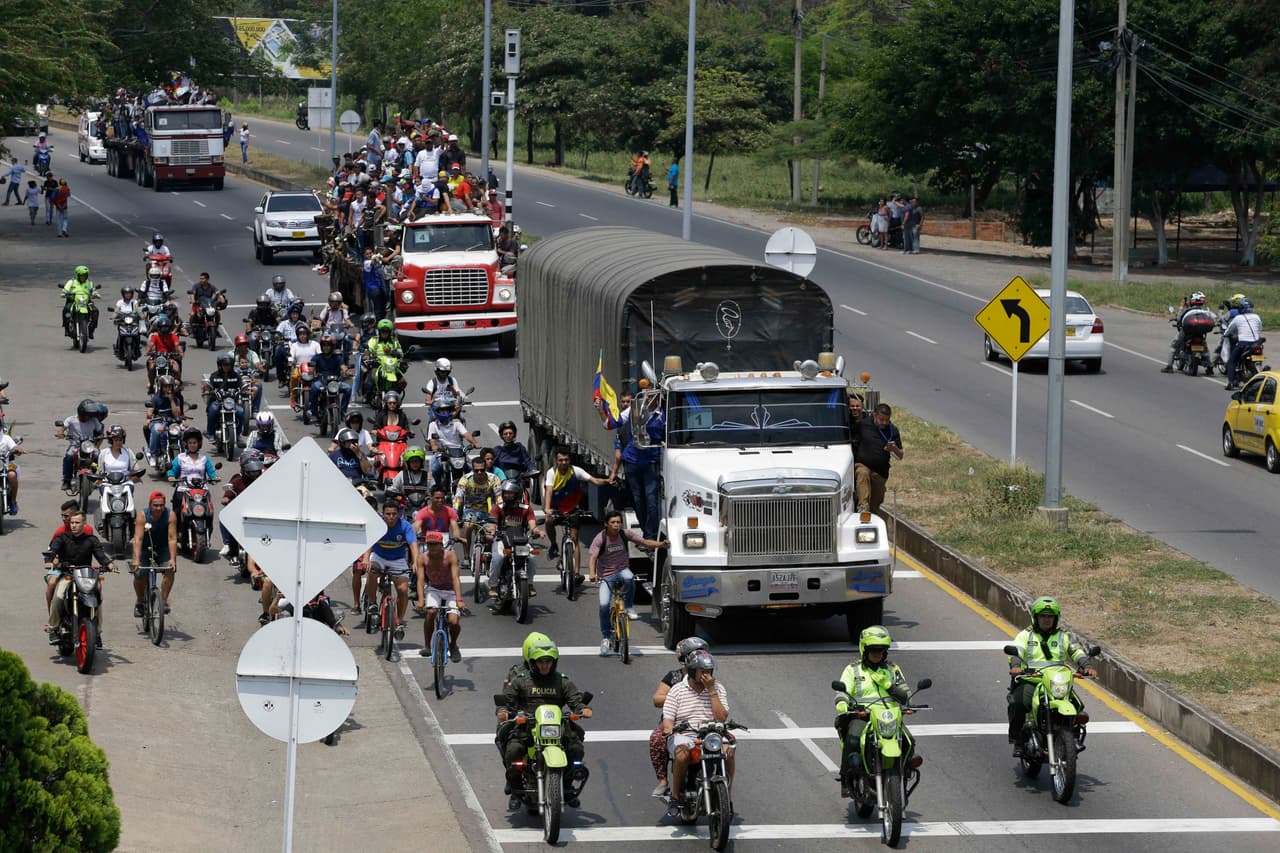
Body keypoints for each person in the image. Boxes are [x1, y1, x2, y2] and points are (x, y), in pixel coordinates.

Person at [496, 633, 591, 811]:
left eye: (548, 661)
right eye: (540, 661)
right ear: (533, 662)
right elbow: (508, 701)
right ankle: (516, 789)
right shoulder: (521, 681)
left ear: (554, 662)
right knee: (513, 750)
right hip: (527, 725)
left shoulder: (562, 681)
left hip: (556, 725)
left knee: (576, 748)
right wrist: (504, 712)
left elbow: (575, 699)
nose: (545, 665)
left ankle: (568, 785)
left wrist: (582, 709)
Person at [1006, 597, 1096, 757]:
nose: (1046, 619)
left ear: (1056, 618)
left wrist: (1087, 666)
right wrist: (1016, 666)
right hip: (1032, 680)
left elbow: (1077, 651)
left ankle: (1073, 738)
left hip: (1057, 683)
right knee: (1018, 703)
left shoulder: (1064, 636)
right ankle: (1018, 740)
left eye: (1050, 616)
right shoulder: (1026, 635)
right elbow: (1017, 650)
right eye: (1043, 616)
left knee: (1078, 708)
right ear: (1035, 617)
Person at [834, 625, 915, 796]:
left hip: (889, 717)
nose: (877, 653)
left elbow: (907, 697)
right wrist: (842, 703)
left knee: (909, 742)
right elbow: (842, 691)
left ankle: (904, 773)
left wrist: (890, 686)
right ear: (864, 649)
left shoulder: (893, 670)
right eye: (873, 649)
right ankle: (846, 778)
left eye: (881, 650)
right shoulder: (853, 669)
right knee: (853, 740)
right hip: (863, 715)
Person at [662, 649, 732, 817]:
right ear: (692, 671)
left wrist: (711, 690)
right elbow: (668, 719)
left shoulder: (718, 688)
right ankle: (675, 797)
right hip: (685, 735)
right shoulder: (677, 690)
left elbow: (721, 717)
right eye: (702, 671)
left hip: (711, 734)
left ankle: (728, 795)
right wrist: (670, 729)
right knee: (681, 755)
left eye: (709, 671)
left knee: (729, 752)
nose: (706, 675)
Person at [589, 510, 666, 655]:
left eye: (618, 522)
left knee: (629, 577)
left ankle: (629, 607)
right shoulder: (600, 538)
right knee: (604, 605)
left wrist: (661, 544)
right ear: (606, 524)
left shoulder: (625, 534)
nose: (616, 525)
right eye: (613, 522)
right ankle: (606, 637)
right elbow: (593, 558)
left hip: (622, 570)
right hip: (606, 575)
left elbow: (644, 542)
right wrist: (592, 574)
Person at [647, 637, 708, 797]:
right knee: (657, 739)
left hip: (703, 721)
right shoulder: (674, 677)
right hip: (676, 723)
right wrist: (678, 698)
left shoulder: (707, 677)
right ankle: (663, 781)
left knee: (728, 745)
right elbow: (657, 699)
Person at [45, 511, 116, 641]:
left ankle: (97, 632)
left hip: (85, 576)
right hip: (67, 574)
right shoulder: (62, 537)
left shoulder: (91, 540)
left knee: (97, 597)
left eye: (77, 523)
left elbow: (101, 555)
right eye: (72, 522)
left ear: (84, 524)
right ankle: (53, 627)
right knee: (58, 596)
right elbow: (53, 550)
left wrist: (109, 564)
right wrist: (49, 561)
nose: (74, 525)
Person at [543, 447, 609, 575]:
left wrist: (607, 481)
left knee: (574, 539)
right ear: (556, 460)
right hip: (556, 508)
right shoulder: (551, 472)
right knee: (548, 521)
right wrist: (547, 508)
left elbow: (594, 480)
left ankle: (577, 573)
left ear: (569, 460)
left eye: (566, 460)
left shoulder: (576, 471)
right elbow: (549, 491)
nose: (563, 462)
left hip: (572, 508)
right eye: (560, 460)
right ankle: (554, 545)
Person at [359, 501, 420, 638]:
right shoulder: (378, 524)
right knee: (372, 571)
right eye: (388, 514)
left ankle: (399, 622)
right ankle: (373, 603)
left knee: (403, 590)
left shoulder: (405, 526)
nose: (391, 517)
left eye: (394, 514)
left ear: (399, 514)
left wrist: (415, 562)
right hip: (379, 556)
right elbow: (370, 542)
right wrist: (366, 558)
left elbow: (413, 545)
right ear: (383, 514)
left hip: (397, 560)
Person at [488, 479, 544, 599]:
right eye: (505, 493)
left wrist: (538, 531)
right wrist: (492, 530)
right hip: (502, 540)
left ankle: (529, 585)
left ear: (517, 494)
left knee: (532, 557)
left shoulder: (526, 508)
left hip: (521, 541)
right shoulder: (498, 507)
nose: (507, 495)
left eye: (510, 493)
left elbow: (532, 525)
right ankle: (493, 585)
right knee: (498, 558)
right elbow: (492, 524)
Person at [416, 531, 468, 660]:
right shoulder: (422, 558)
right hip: (434, 589)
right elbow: (420, 580)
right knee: (431, 612)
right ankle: (427, 646)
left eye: (435, 544)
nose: (432, 548)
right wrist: (421, 600)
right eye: (430, 544)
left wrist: (459, 600)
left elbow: (455, 578)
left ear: (441, 545)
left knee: (453, 621)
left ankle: (453, 645)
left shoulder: (450, 556)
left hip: (451, 591)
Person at [131, 491, 177, 617]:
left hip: (163, 548)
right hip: (145, 549)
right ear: (150, 505)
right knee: (139, 573)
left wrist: (173, 559)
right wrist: (136, 559)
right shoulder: (142, 516)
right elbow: (138, 539)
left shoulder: (170, 515)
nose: (158, 508)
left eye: (161, 505)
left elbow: (172, 538)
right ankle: (140, 601)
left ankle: (163, 601)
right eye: (155, 505)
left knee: (170, 569)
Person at [852, 403, 903, 514]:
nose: (884, 423)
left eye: (887, 420)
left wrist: (894, 448)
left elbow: (900, 455)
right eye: (881, 420)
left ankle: (872, 516)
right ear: (875, 415)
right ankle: (863, 507)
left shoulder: (893, 430)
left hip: (880, 472)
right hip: (863, 464)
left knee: (875, 505)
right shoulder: (863, 425)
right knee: (862, 473)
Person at [454, 453, 501, 561]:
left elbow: (499, 498)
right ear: (472, 469)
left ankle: (487, 555)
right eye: (476, 470)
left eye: (482, 470)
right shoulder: (465, 479)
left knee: (489, 536)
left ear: (486, 468)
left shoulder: (493, 479)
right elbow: (458, 497)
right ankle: (466, 557)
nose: (479, 472)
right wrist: (455, 512)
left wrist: (500, 512)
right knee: (468, 526)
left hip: (487, 510)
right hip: (470, 510)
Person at [166, 429, 218, 524]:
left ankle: (208, 528)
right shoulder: (180, 457)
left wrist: (215, 477)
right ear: (186, 444)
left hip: (201, 489)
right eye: (190, 443)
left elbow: (211, 471)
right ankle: (177, 529)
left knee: (208, 512)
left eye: (194, 443)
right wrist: (171, 477)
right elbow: (172, 470)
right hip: (183, 488)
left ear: (198, 444)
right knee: (176, 510)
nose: (192, 445)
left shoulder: (204, 458)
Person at [1161, 291, 1217, 374]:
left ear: (1192, 300)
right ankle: (1209, 367)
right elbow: (1214, 319)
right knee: (1205, 348)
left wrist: (1181, 307)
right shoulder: (1206, 310)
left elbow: (1179, 318)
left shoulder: (1188, 310)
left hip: (1187, 332)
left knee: (1174, 345)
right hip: (1201, 333)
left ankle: (1169, 366)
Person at [428, 395, 479, 483]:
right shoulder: (433, 425)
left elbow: (466, 434)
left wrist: (475, 443)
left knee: (472, 470)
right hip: (442, 453)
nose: (444, 412)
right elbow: (432, 440)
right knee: (435, 469)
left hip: (458, 453)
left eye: (446, 410)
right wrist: (434, 446)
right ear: (437, 411)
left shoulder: (456, 423)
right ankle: (437, 486)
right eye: (442, 410)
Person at [56, 399, 105, 491]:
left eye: (90, 415)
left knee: (98, 455)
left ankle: (97, 477)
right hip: (75, 445)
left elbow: (100, 432)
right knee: (69, 456)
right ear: (81, 413)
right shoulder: (71, 420)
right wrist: (61, 433)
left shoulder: (94, 420)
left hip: (89, 446)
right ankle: (66, 480)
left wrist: (98, 443)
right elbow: (62, 429)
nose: (89, 417)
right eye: (87, 415)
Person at [1224, 298, 1264, 391]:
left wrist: (1226, 334)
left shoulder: (1238, 318)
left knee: (1232, 361)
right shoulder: (1257, 317)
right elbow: (1260, 328)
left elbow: (1229, 330)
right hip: (1256, 343)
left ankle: (1231, 382)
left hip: (1243, 344)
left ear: (1240, 308)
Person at [143, 377, 186, 464]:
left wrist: (171, 400)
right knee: (156, 431)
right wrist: (150, 416)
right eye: (165, 386)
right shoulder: (155, 398)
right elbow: (149, 412)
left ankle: (184, 454)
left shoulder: (175, 399)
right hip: (158, 421)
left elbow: (177, 414)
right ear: (161, 387)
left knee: (181, 433)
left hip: (172, 422)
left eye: (170, 386)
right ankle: (153, 453)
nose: (168, 389)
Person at [203, 354, 245, 440]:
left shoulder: (236, 375)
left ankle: (238, 435)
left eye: (228, 365)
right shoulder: (214, 376)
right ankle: (210, 433)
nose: (226, 367)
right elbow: (209, 387)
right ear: (220, 365)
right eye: (225, 365)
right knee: (213, 410)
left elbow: (242, 386)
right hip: (217, 401)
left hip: (231, 402)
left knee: (241, 412)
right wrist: (207, 391)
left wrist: (245, 390)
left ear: (231, 365)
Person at [286, 323, 321, 410]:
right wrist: (290, 361)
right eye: (300, 334)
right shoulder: (294, 345)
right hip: (299, 368)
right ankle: (293, 396)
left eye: (304, 334)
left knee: (320, 379)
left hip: (313, 368)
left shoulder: (315, 344)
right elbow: (291, 356)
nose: (302, 336)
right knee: (294, 376)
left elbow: (320, 355)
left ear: (308, 334)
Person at [144, 316, 184, 391]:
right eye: (162, 328)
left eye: (166, 327)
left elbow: (177, 345)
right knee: (151, 367)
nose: (164, 329)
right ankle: (151, 384)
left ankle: (178, 381)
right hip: (157, 357)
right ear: (159, 328)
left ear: (169, 328)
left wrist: (180, 352)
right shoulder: (155, 336)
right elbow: (150, 344)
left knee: (176, 368)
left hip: (170, 357)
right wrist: (147, 352)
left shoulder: (173, 336)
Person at [62, 265, 100, 341]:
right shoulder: (71, 282)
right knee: (66, 310)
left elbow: (93, 291)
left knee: (95, 311)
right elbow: (65, 290)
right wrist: (64, 294)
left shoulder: (89, 283)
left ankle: (91, 330)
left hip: (86, 302)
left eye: (85, 275)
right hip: (73, 301)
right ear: (78, 275)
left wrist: (96, 295)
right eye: (82, 275)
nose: (83, 277)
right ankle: (67, 327)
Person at [0, 426, 25, 514]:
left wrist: (18, 449)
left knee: (12, 475)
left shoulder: (6, 438)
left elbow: (14, 447)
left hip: (4, 467)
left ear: (0, 427)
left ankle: (13, 501)